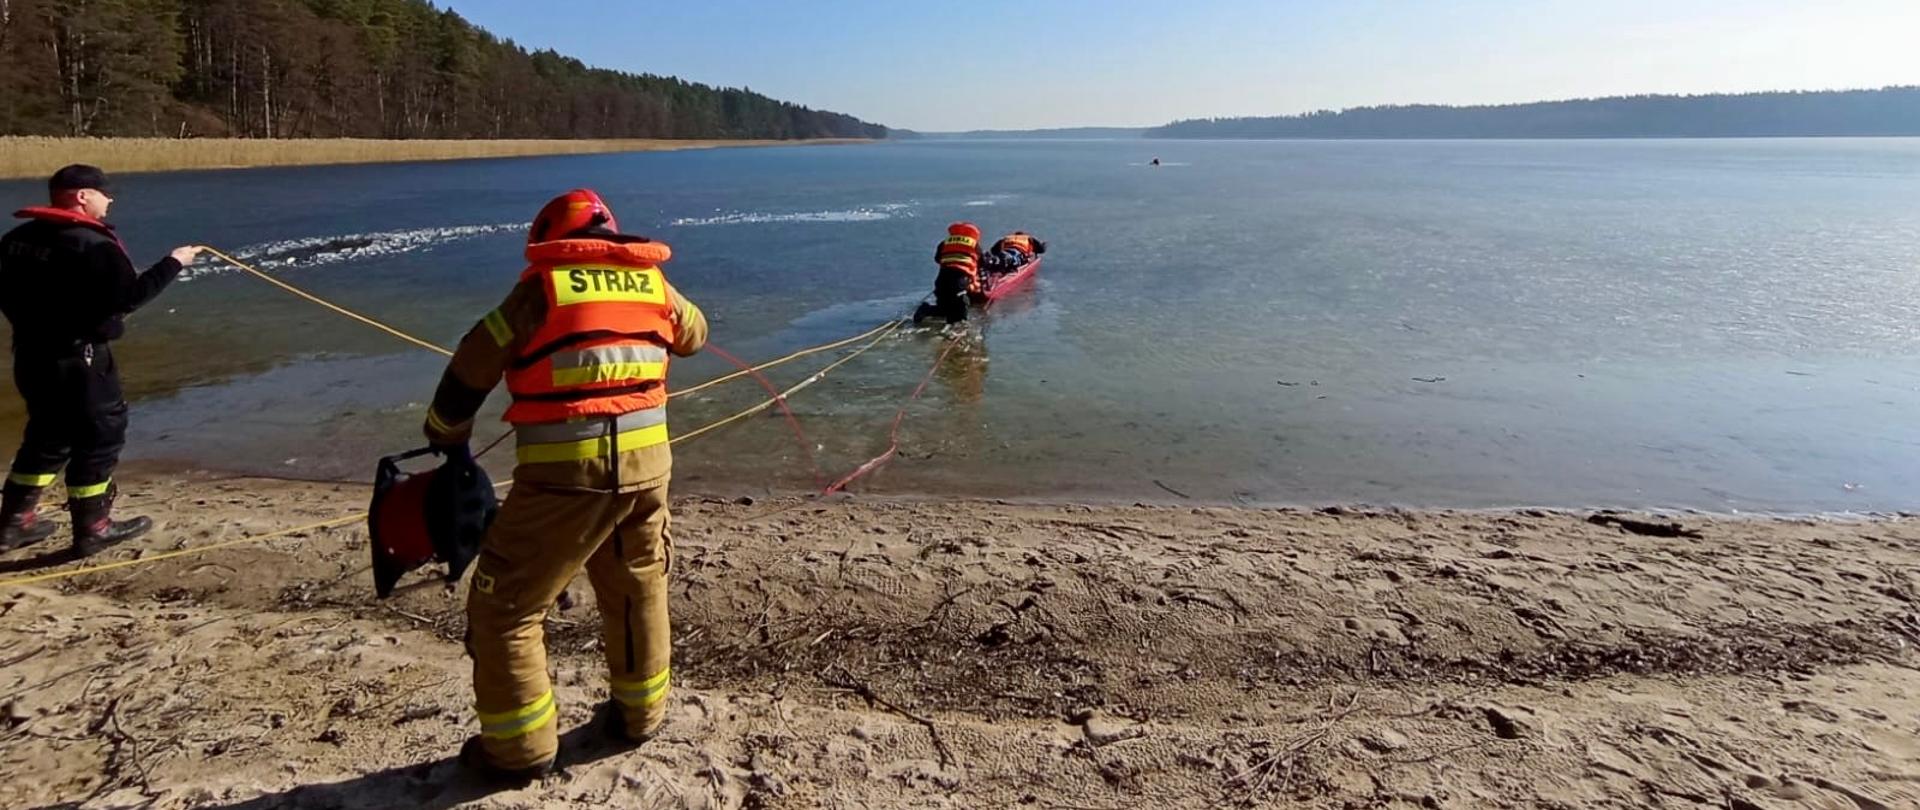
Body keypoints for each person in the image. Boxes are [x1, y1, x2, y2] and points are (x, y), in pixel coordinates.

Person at [419, 189, 708, 781]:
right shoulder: (650, 280)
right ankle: (640, 716)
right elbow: (696, 335)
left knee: (505, 610)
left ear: (551, 239)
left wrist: (445, 434)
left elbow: (472, 364)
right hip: (648, 472)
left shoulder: (541, 288)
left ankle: (518, 752)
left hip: (565, 479)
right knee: (637, 588)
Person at [0, 164, 202, 555]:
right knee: (100, 437)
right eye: (103, 193)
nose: (110, 200)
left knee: (47, 436)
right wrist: (174, 262)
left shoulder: (14, 240)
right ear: (81, 196)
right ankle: (94, 527)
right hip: (81, 359)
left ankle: (12, 525)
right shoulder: (94, 245)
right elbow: (128, 298)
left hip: (30, 356)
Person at [926, 221, 983, 324]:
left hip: (942, 277)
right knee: (960, 303)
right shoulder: (973, 244)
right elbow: (982, 261)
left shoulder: (944, 243)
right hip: (960, 277)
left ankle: (925, 310)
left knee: (943, 307)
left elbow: (937, 259)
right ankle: (961, 327)